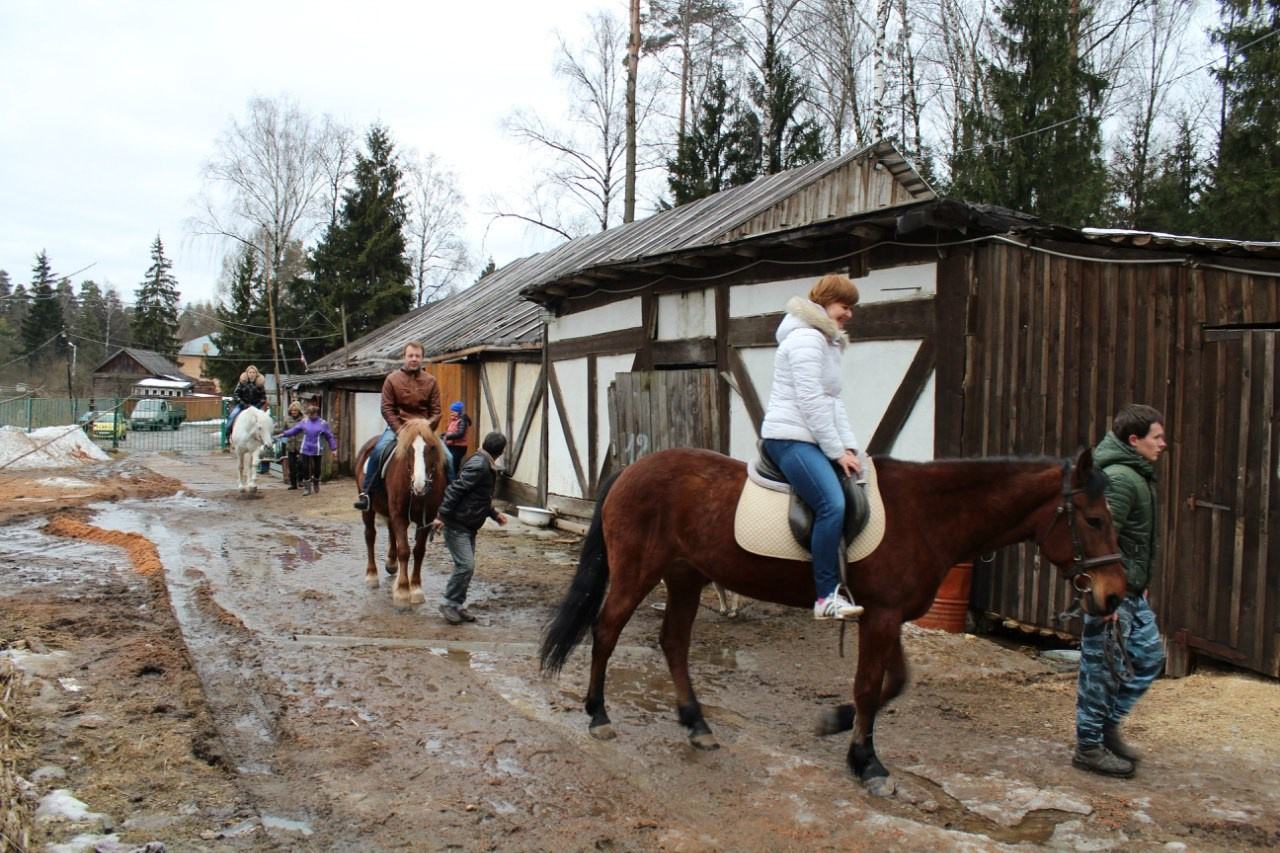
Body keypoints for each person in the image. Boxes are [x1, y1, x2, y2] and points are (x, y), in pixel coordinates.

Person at [760, 274, 865, 621]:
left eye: (851, 308)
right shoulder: (806, 339)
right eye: (844, 306)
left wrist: (849, 448)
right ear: (824, 303)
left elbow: (834, 402)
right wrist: (835, 451)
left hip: (811, 436)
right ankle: (825, 596)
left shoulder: (826, 341)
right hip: (790, 438)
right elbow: (811, 403)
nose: (849, 314)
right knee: (831, 504)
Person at [1074, 404, 1168, 778]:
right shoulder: (1121, 480)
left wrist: (1138, 585)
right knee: (1101, 670)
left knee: (1150, 656)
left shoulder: (1136, 474)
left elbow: (1132, 542)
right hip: (1112, 594)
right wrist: (1104, 595)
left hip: (1131, 591)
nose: (1162, 443)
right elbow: (1097, 541)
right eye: (1157, 437)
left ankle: (1108, 727)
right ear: (1134, 440)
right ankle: (1088, 747)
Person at [353, 341, 442, 511]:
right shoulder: (392, 379)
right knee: (378, 452)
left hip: (424, 430)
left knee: (448, 457)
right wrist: (400, 431)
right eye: (410, 355)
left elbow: (436, 411)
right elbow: (386, 408)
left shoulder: (431, 381)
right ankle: (367, 493)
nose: (414, 359)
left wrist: (427, 427)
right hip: (398, 427)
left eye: (417, 356)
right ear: (404, 357)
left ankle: (449, 497)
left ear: (422, 358)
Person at [432, 431, 508, 624]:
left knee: (466, 568)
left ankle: (457, 605)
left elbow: (478, 496)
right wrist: (442, 516)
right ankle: (448, 603)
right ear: (501, 451)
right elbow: (456, 489)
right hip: (457, 524)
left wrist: (493, 513)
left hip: (468, 525)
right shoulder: (479, 465)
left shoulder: (483, 463)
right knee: (466, 566)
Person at [276, 405, 338, 496]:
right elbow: (295, 430)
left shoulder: (322, 423)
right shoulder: (304, 421)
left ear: (316, 414)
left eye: (311, 414)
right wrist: (284, 434)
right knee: (304, 467)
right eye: (308, 414)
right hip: (305, 448)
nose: (310, 416)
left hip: (317, 448)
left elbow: (329, 436)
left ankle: (316, 480)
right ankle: (307, 487)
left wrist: (334, 449)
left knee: (317, 469)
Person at [225, 365, 267, 441]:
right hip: (242, 405)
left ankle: (268, 437)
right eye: (250, 372)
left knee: (265, 418)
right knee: (232, 416)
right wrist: (244, 404)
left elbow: (263, 398)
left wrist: (257, 405)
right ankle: (227, 436)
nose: (252, 374)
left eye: (253, 372)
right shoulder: (242, 382)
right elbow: (236, 395)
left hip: (256, 406)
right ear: (247, 373)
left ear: (256, 374)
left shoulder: (260, 384)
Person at [443, 401, 472, 476]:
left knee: (454, 465)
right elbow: (450, 432)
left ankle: (454, 479)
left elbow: (461, 433)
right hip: (452, 446)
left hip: (459, 447)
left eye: (453, 411)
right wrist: (442, 434)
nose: (451, 413)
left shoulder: (462, 421)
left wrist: (447, 437)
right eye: (451, 411)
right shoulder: (454, 420)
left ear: (458, 412)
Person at [282, 400, 304, 489]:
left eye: (295, 410)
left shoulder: (304, 419)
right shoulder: (287, 420)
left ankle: (301, 479)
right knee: (291, 465)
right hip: (291, 445)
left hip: (301, 444)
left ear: (299, 410)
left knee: (301, 462)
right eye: (292, 410)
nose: (294, 412)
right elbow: (284, 431)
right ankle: (293, 483)